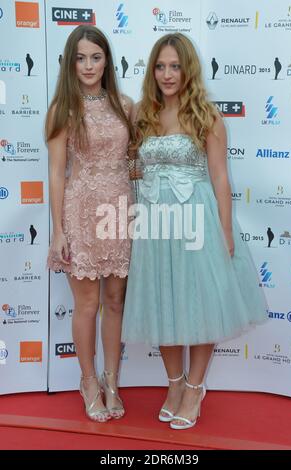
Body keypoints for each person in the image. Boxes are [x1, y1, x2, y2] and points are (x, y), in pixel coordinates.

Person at [122, 33, 267, 430]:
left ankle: (195, 387)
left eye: (175, 65)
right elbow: (133, 169)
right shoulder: (142, 115)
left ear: (189, 69)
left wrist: (225, 231)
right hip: (155, 221)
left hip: (197, 219)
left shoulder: (207, 115)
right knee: (162, 301)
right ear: (152, 71)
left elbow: (220, 177)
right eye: (160, 66)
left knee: (201, 303)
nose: (168, 74)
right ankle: (174, 385)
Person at [46, 25, 134, 422]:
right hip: (81, 211)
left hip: (119, 212)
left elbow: (134, 162)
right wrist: (58, 230)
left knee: (115, 302)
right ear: (70, 62)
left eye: (95, 57)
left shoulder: (125, 105)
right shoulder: (62, 109)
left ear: (106, 61)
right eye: (80, 57)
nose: (88, 65)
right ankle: (88, 381)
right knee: (87, 304)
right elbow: (55, 173)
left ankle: (112, 380)